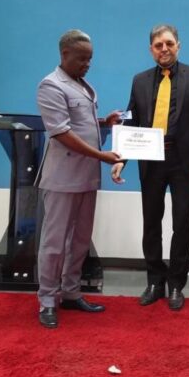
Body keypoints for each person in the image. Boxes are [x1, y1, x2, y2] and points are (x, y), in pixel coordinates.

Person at [111, 24, 189, 311]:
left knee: (182, 223)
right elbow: (131, 122)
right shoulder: (139, 80)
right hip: (151, 160)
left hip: (185, 162)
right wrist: (120, 159)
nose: (164, 49)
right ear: (151, 50)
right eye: (158, 45)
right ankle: (155, 281)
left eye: (169, 43)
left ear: (178, 45)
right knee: (151, 222)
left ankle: (176, 283)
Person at [35, 29, 122, 329]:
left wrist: (104, 122)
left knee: (81, 240)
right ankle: (48, 299)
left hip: (86, 177)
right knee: (55, 243)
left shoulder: (82, 85)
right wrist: (101, 156)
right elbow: (61, 132)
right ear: (64, 54)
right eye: (82, 59)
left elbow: (80, 124)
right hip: (62, 178)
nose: (88, 64)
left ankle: (71, 292)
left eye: (90, 59)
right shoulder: (50, 85)